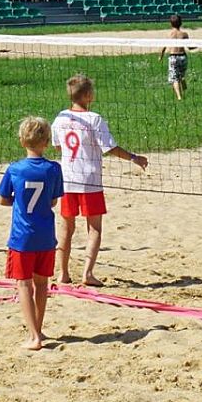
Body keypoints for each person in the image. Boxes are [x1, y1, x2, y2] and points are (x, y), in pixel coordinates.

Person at [52, 74, 149, 287]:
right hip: (90, 181)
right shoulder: (94, 119)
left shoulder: (59, 118)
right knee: (94, 228)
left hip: (67, 180)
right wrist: (134, 157)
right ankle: (87, 273)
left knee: (66, 228)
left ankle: (63, 273)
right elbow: (110, 148)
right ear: (88, 95)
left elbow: (58, 147)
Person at [0, 117, 66, 350]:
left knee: (23, 284)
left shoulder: (15, 169)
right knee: (42, 283)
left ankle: (34, 336)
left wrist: (18, 202)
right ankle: (39, 328)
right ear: (46, 142)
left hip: (22, 237)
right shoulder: (54, 169)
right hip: (46, 236)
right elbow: (54, 200)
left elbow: (3, 199)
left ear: (21, 140)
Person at [160, 14, 191, 101]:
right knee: (180, 74)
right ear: (181, 23)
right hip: (183, 57)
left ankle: (179, 97)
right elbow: (190, 47)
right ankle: (183, 79)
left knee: (174, 78)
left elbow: (164, 46)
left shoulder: (170, 34)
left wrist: (161, 55)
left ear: (170, 24)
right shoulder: (184, 34)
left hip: (173, 57)